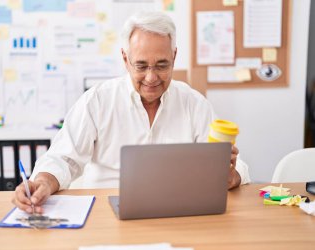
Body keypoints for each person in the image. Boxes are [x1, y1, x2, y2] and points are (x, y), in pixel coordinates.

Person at [13, 11, 251, 214]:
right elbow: (63, 158)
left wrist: (231, 176)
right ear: (125, 59)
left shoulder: (194, 104)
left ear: (174, 57)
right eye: (141, 65)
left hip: (177, 215)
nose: (151, 77)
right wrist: (43, 181)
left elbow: (237, 166)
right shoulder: (97, 101)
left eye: (162, 65)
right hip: (104, 214)